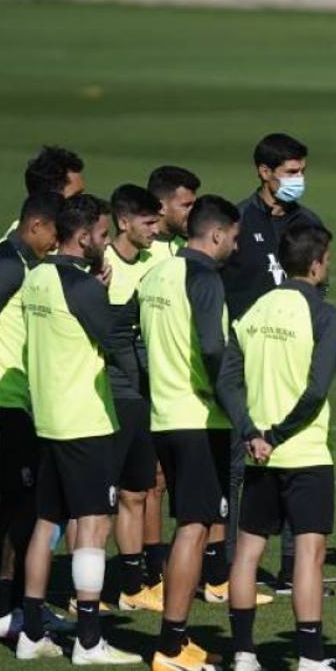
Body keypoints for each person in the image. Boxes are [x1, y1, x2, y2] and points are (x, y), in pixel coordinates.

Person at [218, 224, 336, 671]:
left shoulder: (254, 310)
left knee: (247, 555)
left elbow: (227, 382)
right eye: (327, 260)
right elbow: (316, 390)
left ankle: (242, 657)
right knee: (309, 557)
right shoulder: (325, 315)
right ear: (315, 265)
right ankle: (311, 662)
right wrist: (276, 434)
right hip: (303, 453)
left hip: (258, 458)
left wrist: (251, 432)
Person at [16, 194, 140, 665]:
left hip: (47, 418)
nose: (107, 243)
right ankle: (89, 640)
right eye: (104, 235)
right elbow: (113, 338)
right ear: (83, 236)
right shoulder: (84, 288)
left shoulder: (39, 276)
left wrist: (95, 290)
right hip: (85, 420)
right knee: (93, 524)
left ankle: (31, 633)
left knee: (46, 522)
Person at [141, 194, 242, 671]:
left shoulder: (157, 273)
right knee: (194, 528)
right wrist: (234, 405)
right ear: (217, 234)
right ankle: (171, 643)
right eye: (235, 238)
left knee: (190, 525)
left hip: (164, 412)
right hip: (199, 418)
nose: (236, 247)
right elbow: (212, 348)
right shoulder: (204, 279)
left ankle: (178, 638)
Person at [223, 134, 324, 598]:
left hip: (294, 355)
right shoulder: (239, 221)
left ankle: (290, 569)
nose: (297, 180)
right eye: (290, 171)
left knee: (296, 453)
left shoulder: (309, 222)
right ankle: (229, 568)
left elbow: (319, 291)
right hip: (248, 352)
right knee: (243, 459)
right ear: (264, 172)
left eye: (301, 171)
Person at [0, 192, 63, 642]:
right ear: (35, 227)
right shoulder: (10, 265)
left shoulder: (4, 255)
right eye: (53, 233)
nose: (56, 242)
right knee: (16, 508)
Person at [104, 184, 171, 613]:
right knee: (95, 500)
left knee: (136, 490)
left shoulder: (159, 258)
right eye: (148, 222)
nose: (155, 229)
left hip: (143, 395)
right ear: (123, 222)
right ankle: (83, 589)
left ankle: (133, 584)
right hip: (105, 396)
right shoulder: (101, 264)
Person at [141, 165, 202, 589]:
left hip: (180, 384)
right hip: (146, 382)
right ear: (160, 206)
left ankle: (187, 571)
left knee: (171, 481)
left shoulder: (185, 248)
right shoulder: (140, 250)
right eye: (187, 204)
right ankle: (148, 571)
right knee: (148, 482)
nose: (192, 211)